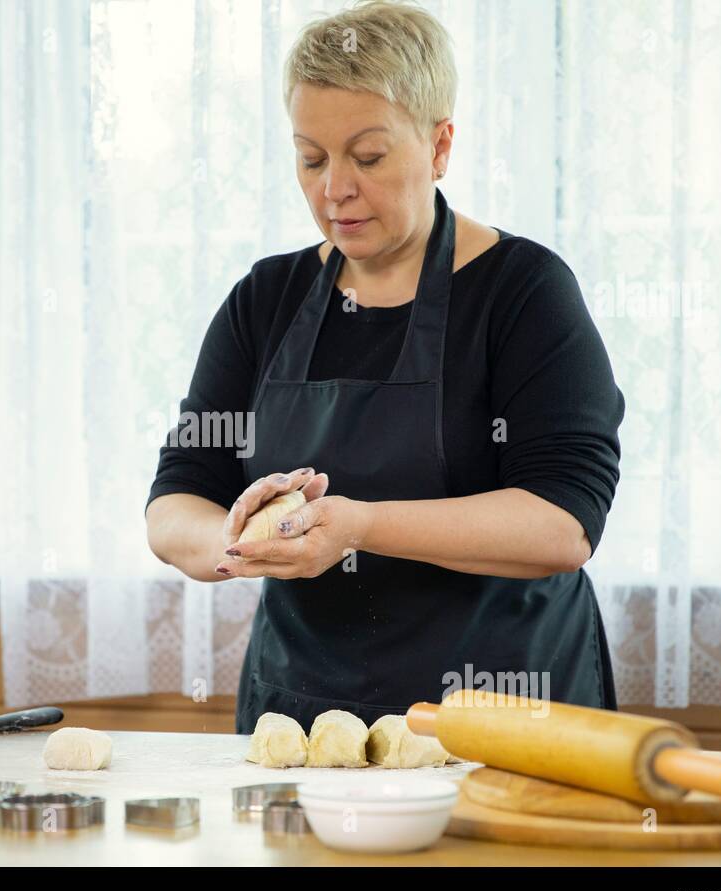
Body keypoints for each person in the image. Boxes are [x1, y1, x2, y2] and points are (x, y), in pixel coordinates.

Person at [144, 0, 625, 733]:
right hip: (305, 720)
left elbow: (562, 522)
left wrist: (359, 525)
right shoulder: (265, 299)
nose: (334, 188)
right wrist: (241, 540)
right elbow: (177, 500)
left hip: (500, 724)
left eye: (367, 157)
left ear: (439, 148)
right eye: (311, 157)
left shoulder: (523, 292)